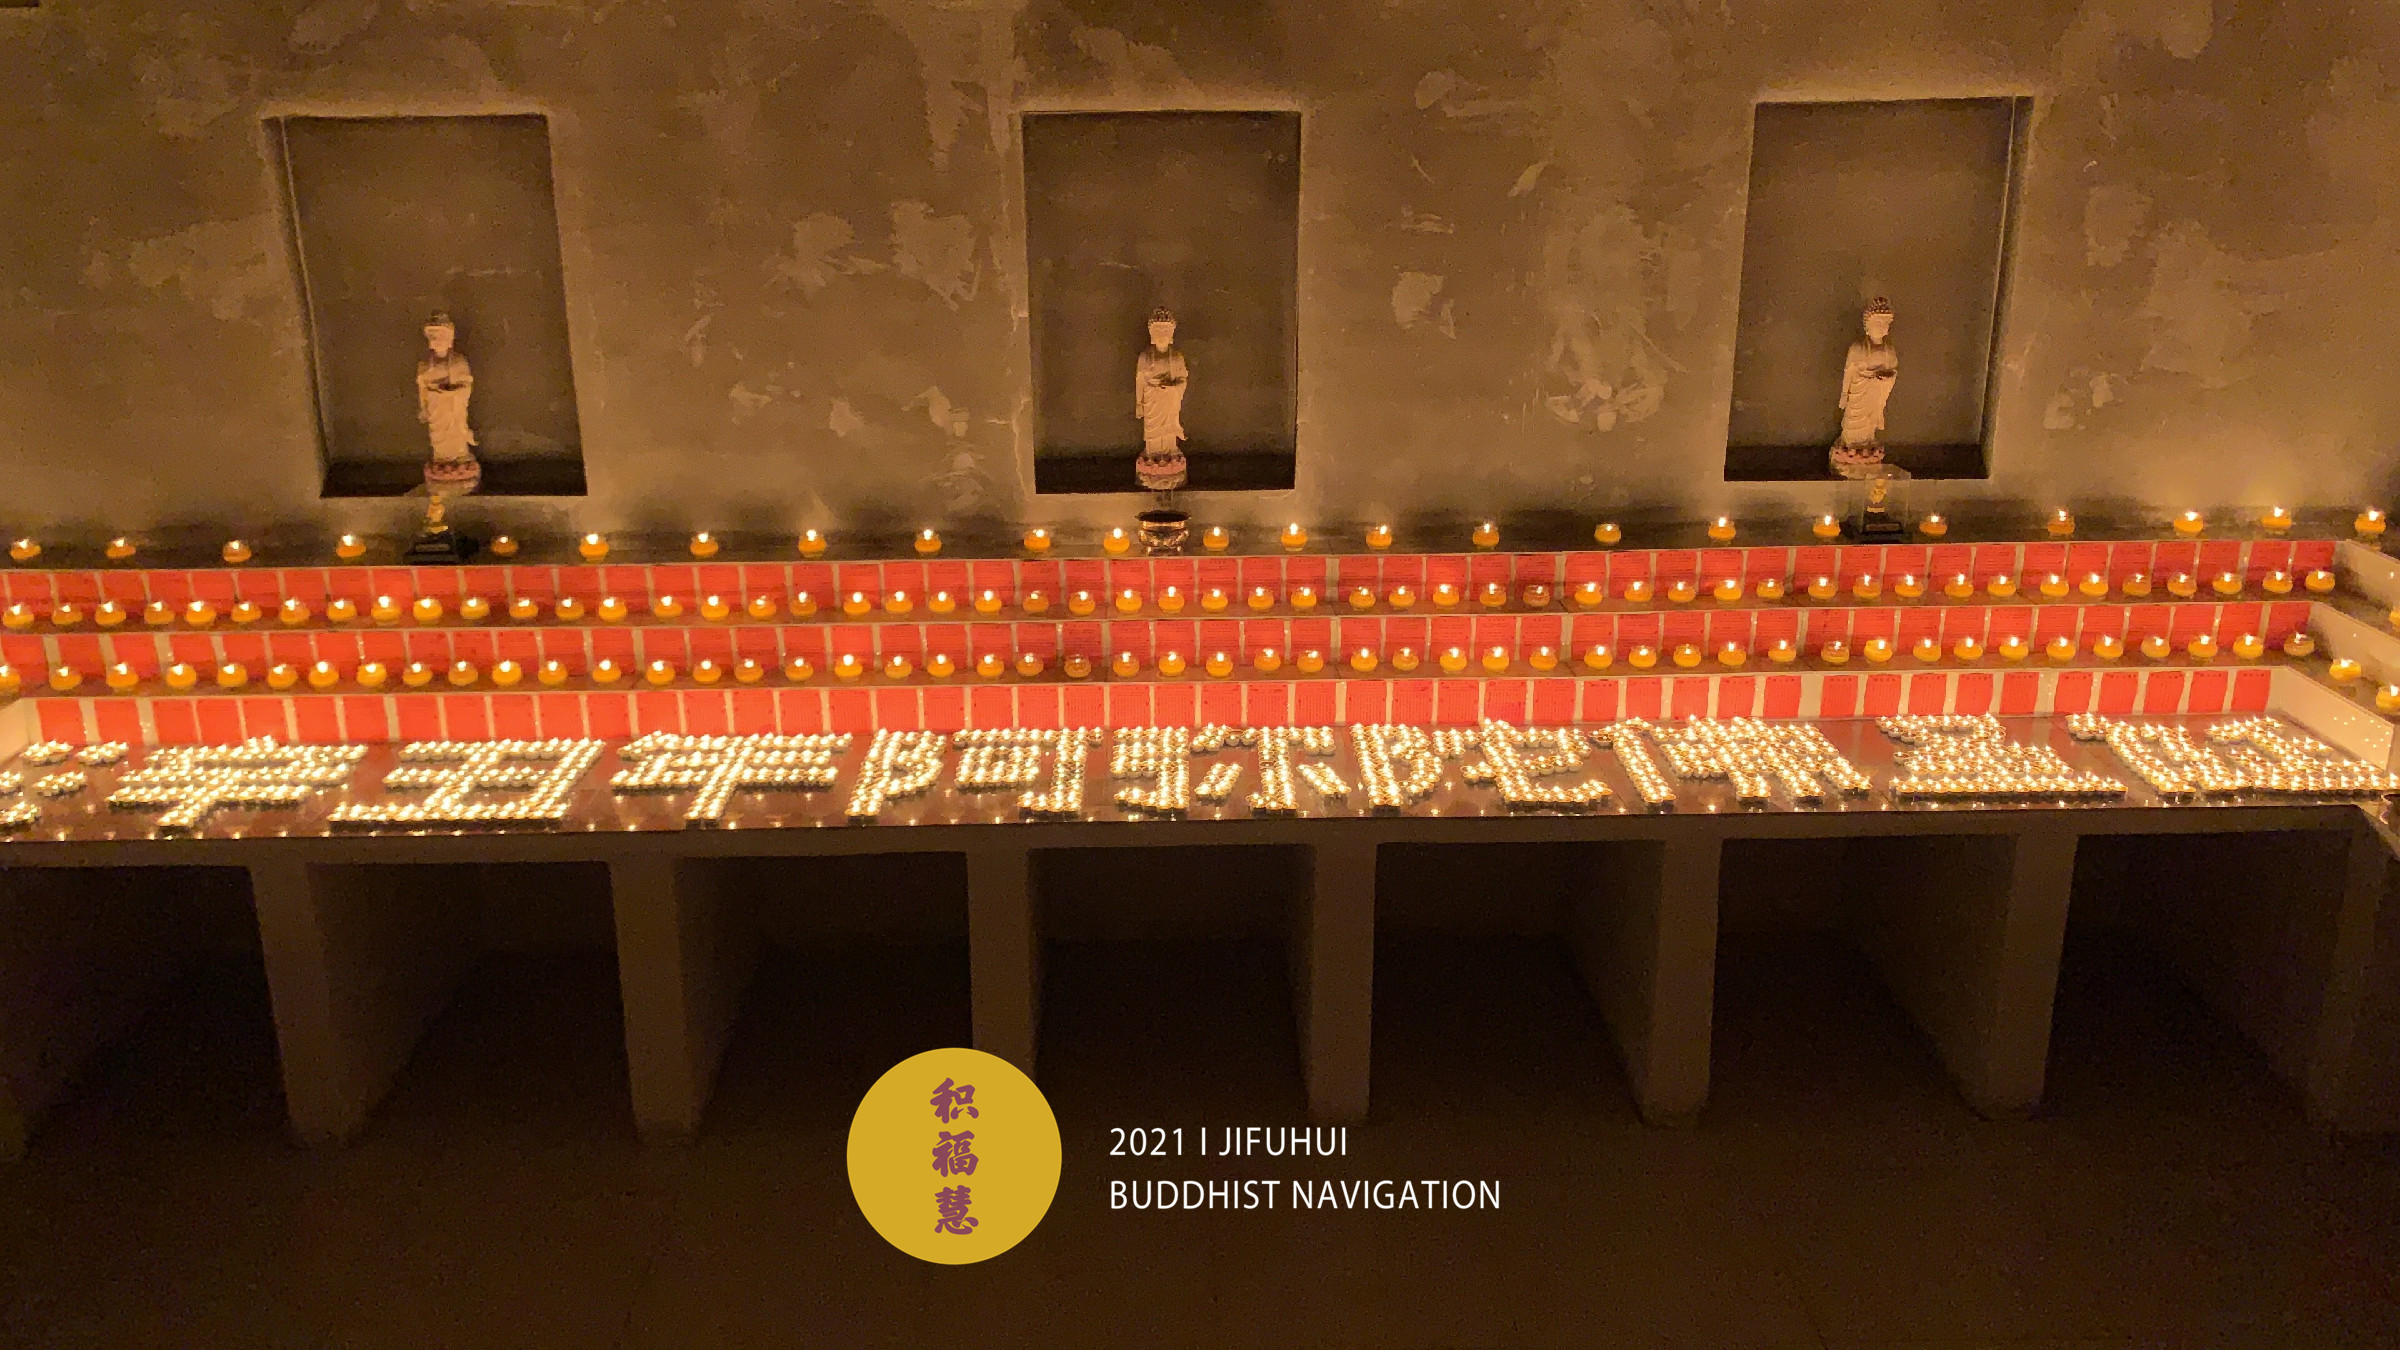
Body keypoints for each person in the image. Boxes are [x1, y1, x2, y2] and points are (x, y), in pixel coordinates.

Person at [1829, 298, 1897, 480]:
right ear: (1867, 325)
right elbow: (1849, 374)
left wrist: (1885, 379)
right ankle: (1849, 450)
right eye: (1878, 323)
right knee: (1853, 424)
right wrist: (1844, 395)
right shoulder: (1858, 348)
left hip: (1875, 396)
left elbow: (1893, 372)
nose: (1882, 328)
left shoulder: (1888, 350)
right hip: (1859, 395)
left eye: (1886, 324)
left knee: (1869, 427)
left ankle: (1866, 451)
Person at [1134, 307, 1189, 492]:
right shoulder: (1145, 357)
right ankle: (1153, 455)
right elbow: (1140, 381)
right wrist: (1139, 403)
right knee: (1152, 434)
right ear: (1152, 335)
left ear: (1171, 335)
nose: (1162, 336)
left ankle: (1169, 455)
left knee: (1169, 433)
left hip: (1169, 401)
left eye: (1165, 332)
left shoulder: (1176, 358)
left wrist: (1172, 388)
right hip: (1152, 400)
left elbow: (1182, 380)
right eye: (1158, 332)